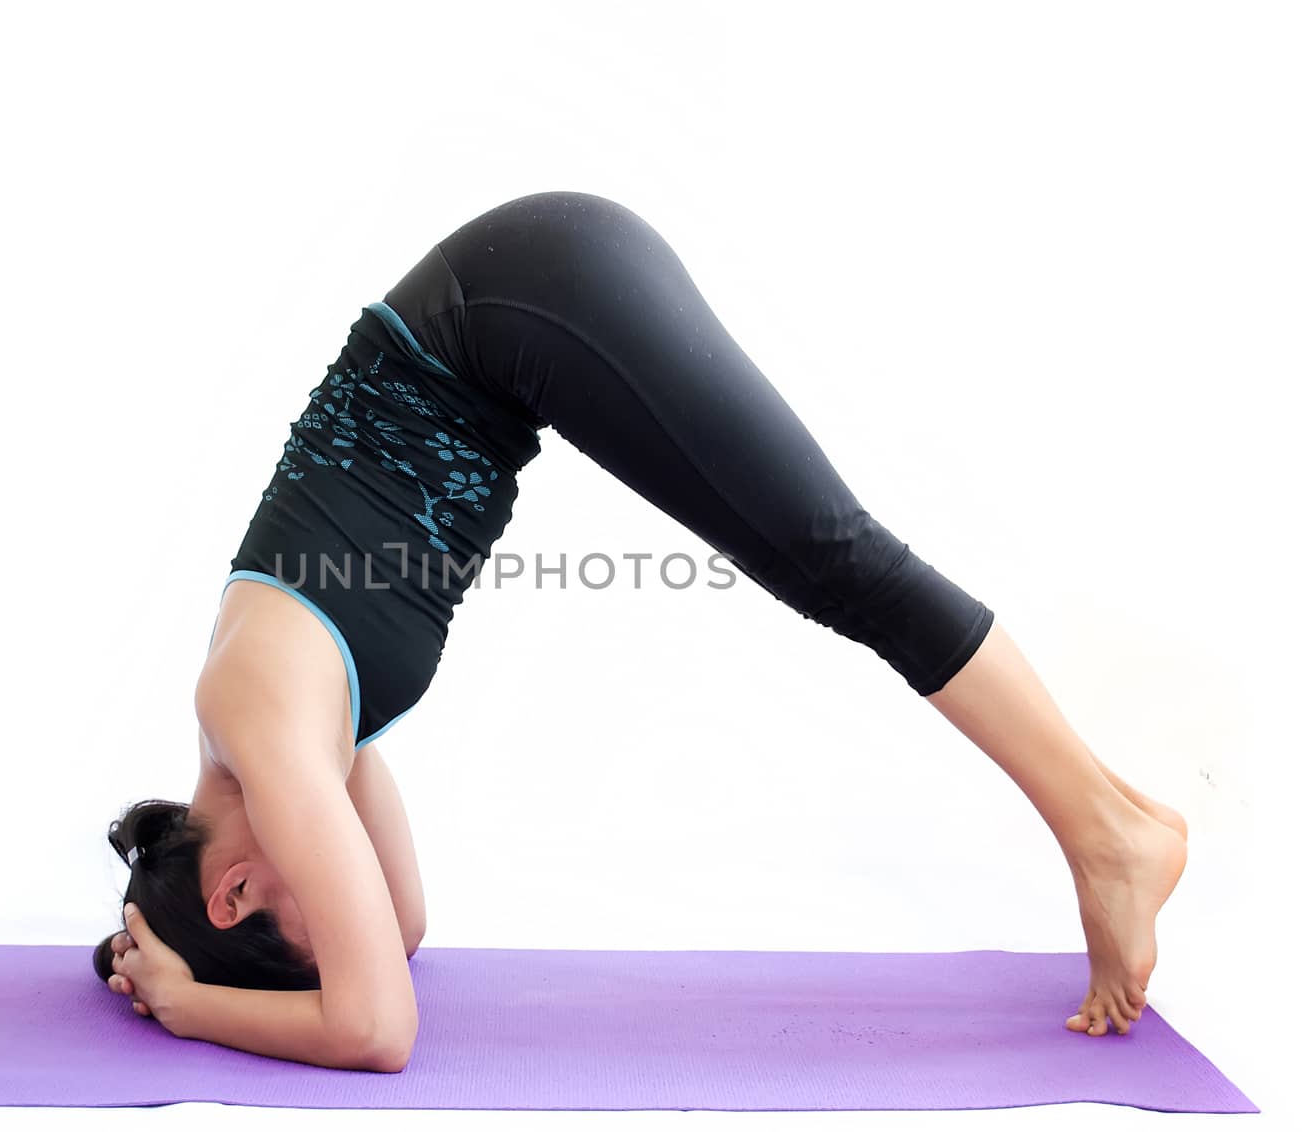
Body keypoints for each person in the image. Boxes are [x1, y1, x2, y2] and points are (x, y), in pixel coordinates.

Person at [92, 190, 1188, 1072]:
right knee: (830, 562)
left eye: (304, 926)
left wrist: (194, 1010)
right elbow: (403, 931)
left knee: (835, 559)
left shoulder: (261, 723)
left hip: (527, 298)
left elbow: (375, 1026)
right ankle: (1113, 819)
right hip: (529, 307)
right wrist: (217, 963)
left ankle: (1107, 833)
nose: (346, 910)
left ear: (233, 892)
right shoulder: (285, 746)